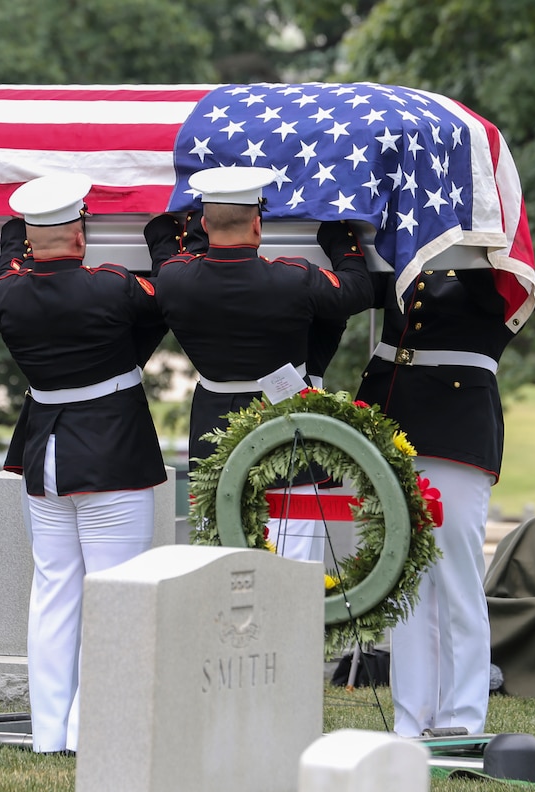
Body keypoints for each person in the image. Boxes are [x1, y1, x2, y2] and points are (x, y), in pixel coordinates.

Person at [0, 172, 168, 754]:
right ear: (82, 232)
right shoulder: (113, 286)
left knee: (54, 594)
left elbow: (12, 254)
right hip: (111, 453)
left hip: (45, 456)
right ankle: (93, 727)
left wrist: (22, 236)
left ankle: (49, 732)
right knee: (116, 594)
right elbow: (167, 296)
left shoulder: (6, 295)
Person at [144, 165, 384, 559]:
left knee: (218, 565)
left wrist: (166, 232)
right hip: (286, 431)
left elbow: (166, 251)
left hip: (213, 435)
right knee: (292, 570)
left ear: (204, 222)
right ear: (258, 225)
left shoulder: (174, 280)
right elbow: (357, 289)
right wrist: (338, 238)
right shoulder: (293, 279)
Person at [354, 266, 525, 736]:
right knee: (406, 581)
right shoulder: (408, 258)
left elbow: (496, 300)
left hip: (456, 425)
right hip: (396, 420)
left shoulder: (496, 268)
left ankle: (462, 719)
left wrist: (457, 234)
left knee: (455, 578)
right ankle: (412, 718)